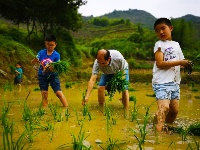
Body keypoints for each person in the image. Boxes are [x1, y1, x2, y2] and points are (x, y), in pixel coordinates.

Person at [152, 18, 192, 132]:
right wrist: (180, 62)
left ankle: (163, 126)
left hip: (175, 82)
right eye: (157, 30)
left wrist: (186, 64)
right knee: (164, 107)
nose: (161, 32)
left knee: (174, 111)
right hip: (162, 82)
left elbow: (181, 60)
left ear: (171, 28)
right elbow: (160, 63)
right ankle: (157, 136)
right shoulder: (159, 44)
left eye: (163, 28)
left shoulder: (176, 44)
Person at [31, 34, 68, 107]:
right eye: (48, 44)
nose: (49, 47)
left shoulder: (57, 55)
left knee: (58, 93)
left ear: (55, 45)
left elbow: (56, 68)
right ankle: (44, 111)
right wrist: (35, 60)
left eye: (51, 45)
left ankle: (66, 107)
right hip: (42, 75)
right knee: (44, 94)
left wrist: (49, 68)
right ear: (45, 43)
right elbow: (33, 62)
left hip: (53, 76)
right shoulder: (41, 53)